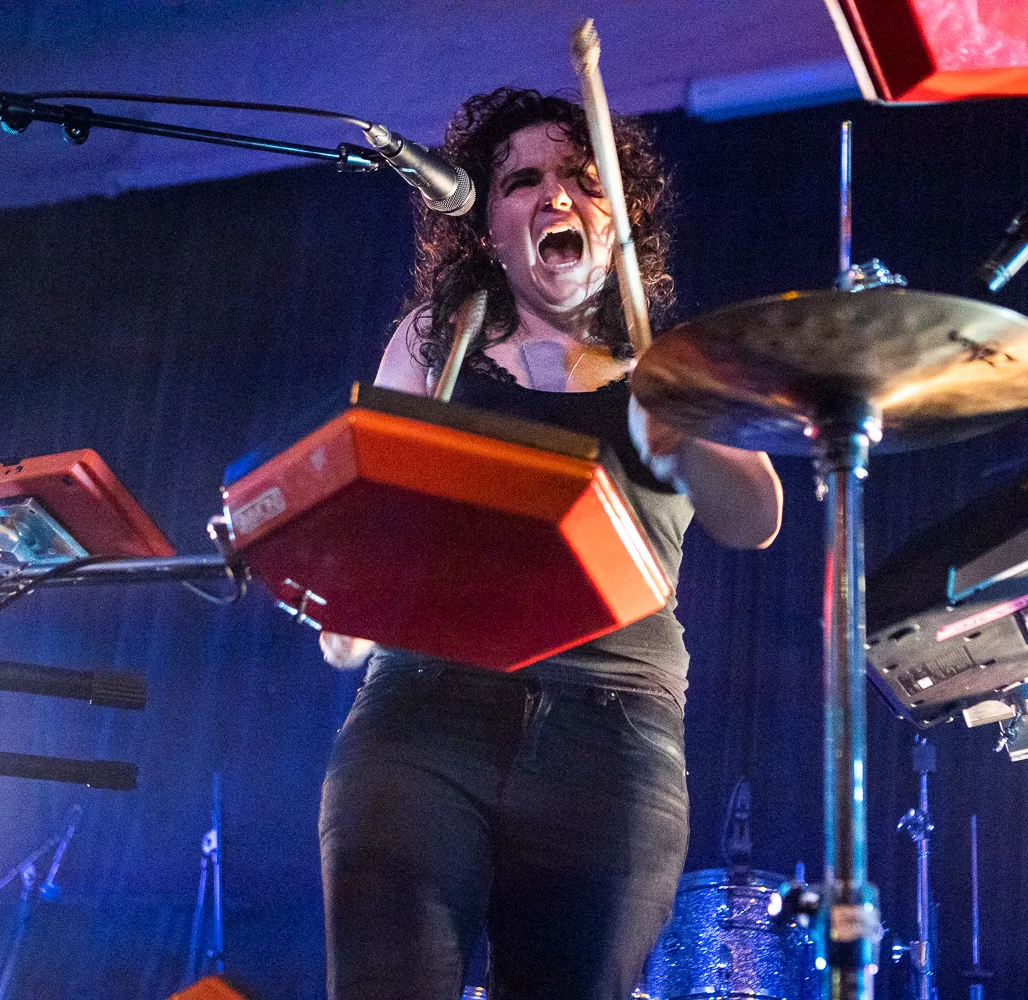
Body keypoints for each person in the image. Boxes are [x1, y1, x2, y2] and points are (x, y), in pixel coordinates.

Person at [317, 87, 783, 1000]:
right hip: (425, 710)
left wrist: (682, 434)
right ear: (488, 229)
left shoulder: (677, 359)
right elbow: (374, 503)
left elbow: (755, 518)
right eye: (521, 181)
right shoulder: (436, 339)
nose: (554, 195)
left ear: (620, 217)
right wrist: (352, 603)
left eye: (579, 176)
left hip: (614, 728)